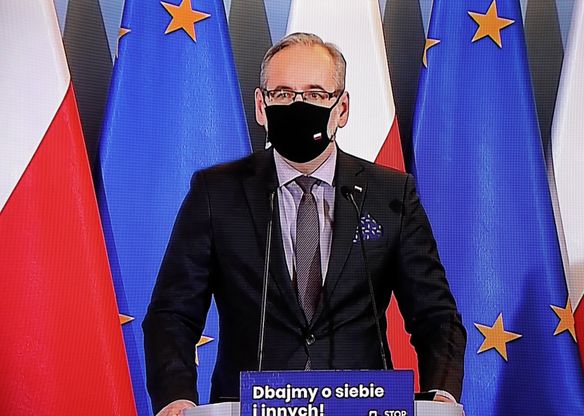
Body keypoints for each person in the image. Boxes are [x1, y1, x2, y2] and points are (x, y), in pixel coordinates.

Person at [143, 32, 466, 416]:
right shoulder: (217, 192)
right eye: (282, 94)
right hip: (251, 408)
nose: (298, 106)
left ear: (341, 108)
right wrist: (176, 398)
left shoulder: (390, 194)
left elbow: (435, 315)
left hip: (363, 406)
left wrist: (442, 396)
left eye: (315, 94)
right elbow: (173, 314)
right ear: (261, 106)